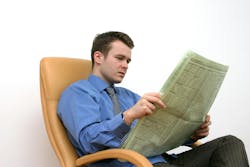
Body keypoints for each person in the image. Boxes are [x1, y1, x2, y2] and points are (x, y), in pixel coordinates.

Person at [57, 31, 249, 167]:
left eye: (128, 61)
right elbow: (87, 141)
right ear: (98, 57)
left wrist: (193, 133)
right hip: (128, 165)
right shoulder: (78, 93)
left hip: (162, 160)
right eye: (120, 58)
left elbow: (158, 136)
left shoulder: (128, 95)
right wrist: (128, 116)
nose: (125, 65)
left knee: (229, 144)